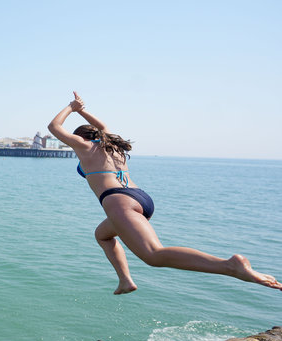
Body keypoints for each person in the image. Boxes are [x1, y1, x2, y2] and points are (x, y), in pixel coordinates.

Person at [48, 92, 282, 294]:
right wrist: (82, 110)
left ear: (80, 139)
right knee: (103, 235)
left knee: (154, 255)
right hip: (140, 198)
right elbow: (104, 127)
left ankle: (230, 266)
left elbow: (54, 127)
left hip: (118, 202)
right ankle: (126, 280)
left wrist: (71, 107)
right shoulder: (113, 144)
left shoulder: (85, 147)